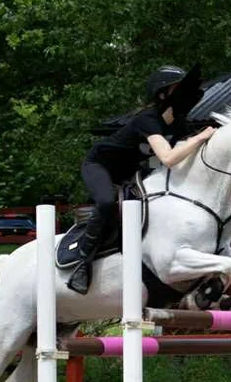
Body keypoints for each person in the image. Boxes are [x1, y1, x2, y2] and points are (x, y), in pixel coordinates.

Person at [68, 64, 214, 294]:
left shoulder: (178, 123)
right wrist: (203, 136)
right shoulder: (148, 119)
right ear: (163, 93)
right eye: (179, 89)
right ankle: (81, 263)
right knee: (106, 201)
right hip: (100, 165)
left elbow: (190, 153)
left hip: (130, 170)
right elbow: (168, 158)